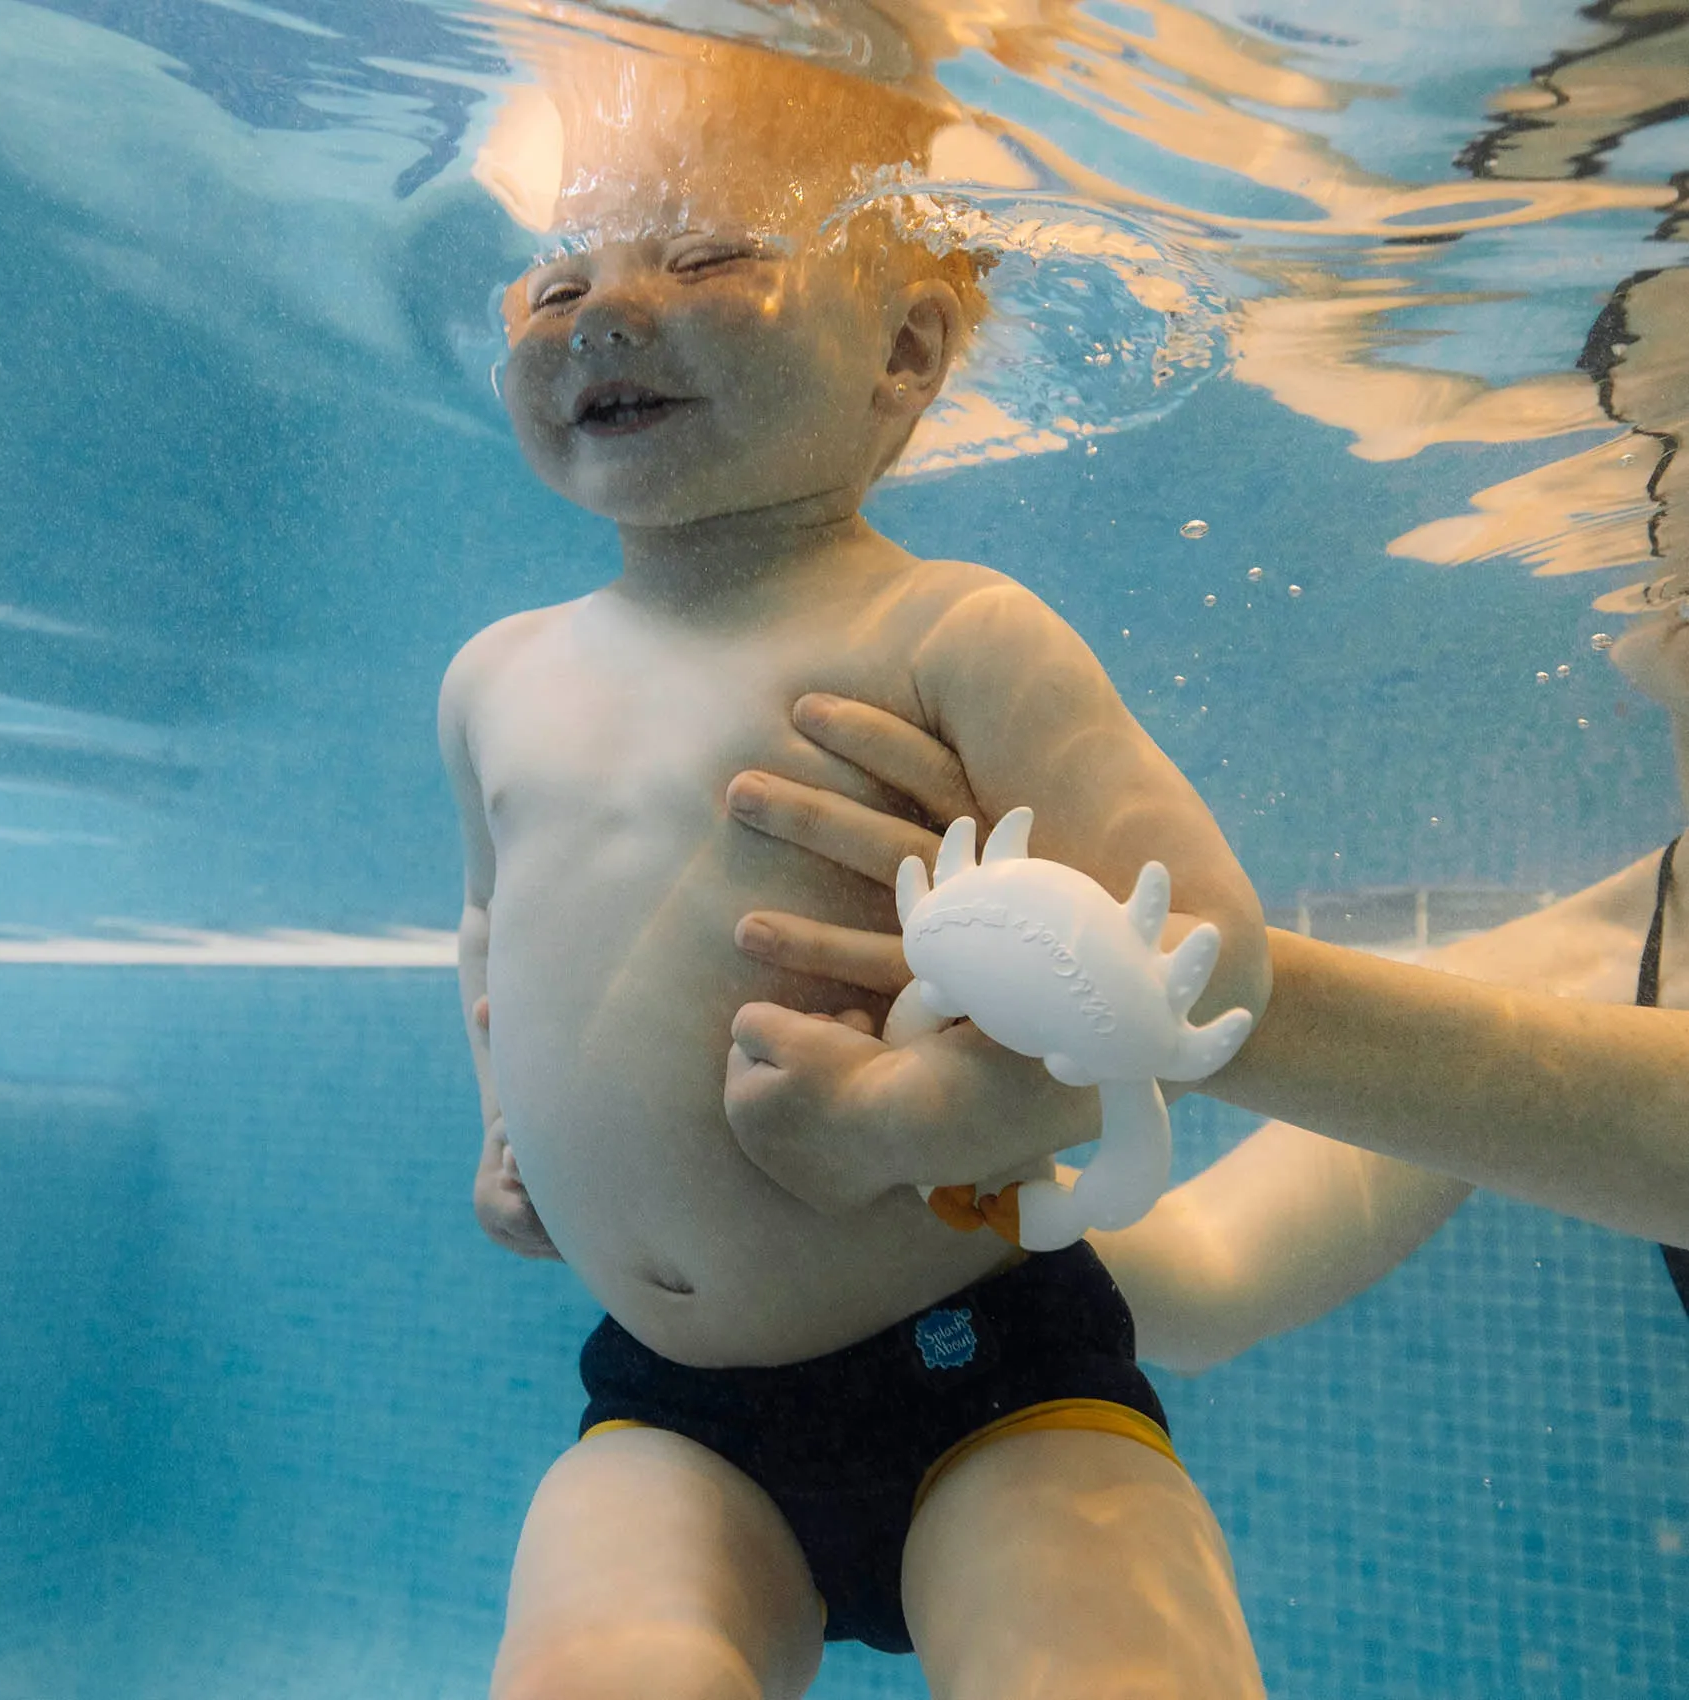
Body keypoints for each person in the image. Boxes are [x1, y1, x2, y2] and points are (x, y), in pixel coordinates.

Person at [444, 32, 1272, 1699]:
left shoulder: (952, 632)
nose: (602, 307)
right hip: (673, 1409)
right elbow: (491, 932)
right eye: (555, 278)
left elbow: (1207, 964)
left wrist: (912, 1121)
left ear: (904, 351)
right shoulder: (494, 678)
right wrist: (509, 1131)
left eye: (707, 255)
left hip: (994, 1379)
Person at [668, 598, 1687, 1374]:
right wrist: (920, 1141)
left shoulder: (1551, 992)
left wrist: (1069, 947)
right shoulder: (1550, 972)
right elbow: (1211, 1276)